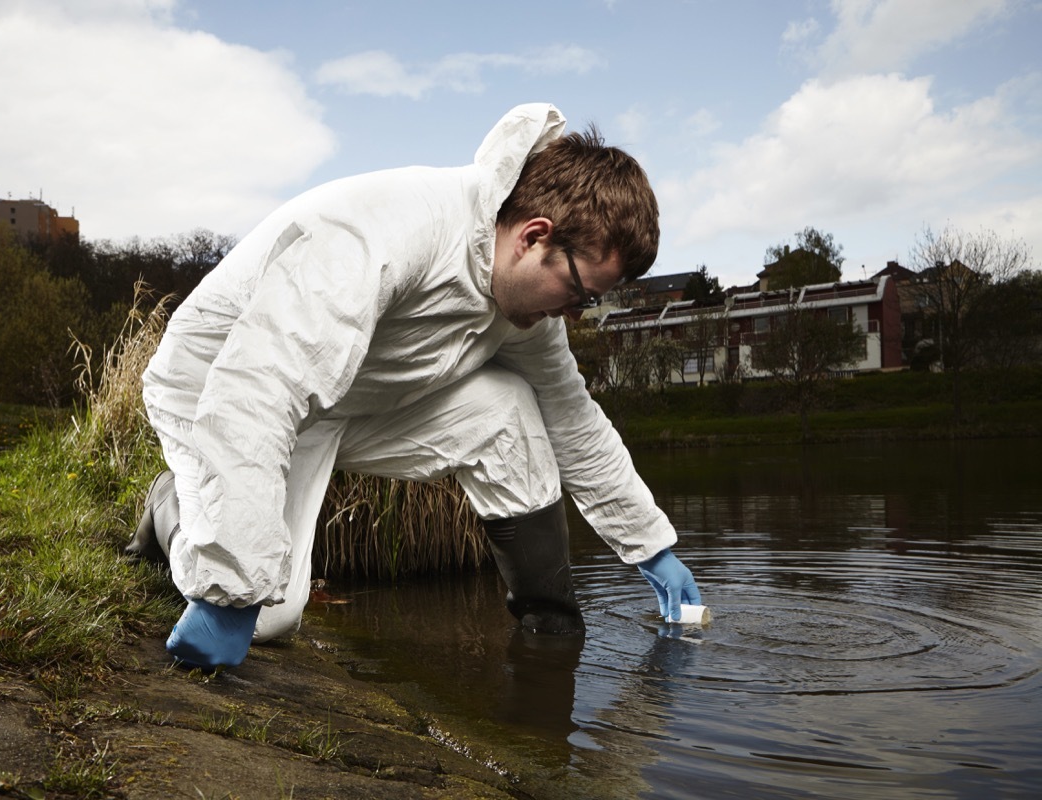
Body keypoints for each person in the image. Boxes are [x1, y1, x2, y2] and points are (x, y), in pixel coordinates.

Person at [129, 103, 702, 670]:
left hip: (344, 401)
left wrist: (652, 548)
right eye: (582, 293)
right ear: (534, 237)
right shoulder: (384, 230)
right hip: (219, 384)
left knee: (509, 407)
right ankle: (170, 504)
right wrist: (229, 591)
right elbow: (260, 388)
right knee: (269, 616)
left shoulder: (524, 307)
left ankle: (549, 630)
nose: (577, 314)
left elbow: (572, 420)